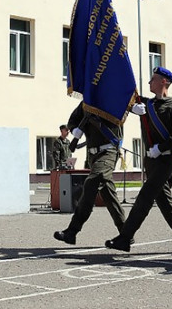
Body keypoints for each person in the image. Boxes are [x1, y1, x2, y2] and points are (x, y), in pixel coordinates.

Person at [105, 66, 172, 253]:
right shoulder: (147, 104)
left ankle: (125, 238)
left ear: (164, 82)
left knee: (144, 197)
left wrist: (162, 147)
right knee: (165, 202)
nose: (150, 82)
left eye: (153, 79)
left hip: (165, 160)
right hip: (150, 161)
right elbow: (126, 96)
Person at [54, 101, 126, 245]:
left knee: (92, 182)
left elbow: (120, 116)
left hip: (108, 150)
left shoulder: (111, 98)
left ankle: (72, 231)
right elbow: (72, 120)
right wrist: (76, 130)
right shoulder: (86, 103)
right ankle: (126, 233)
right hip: (93, 155)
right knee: (108, 194)